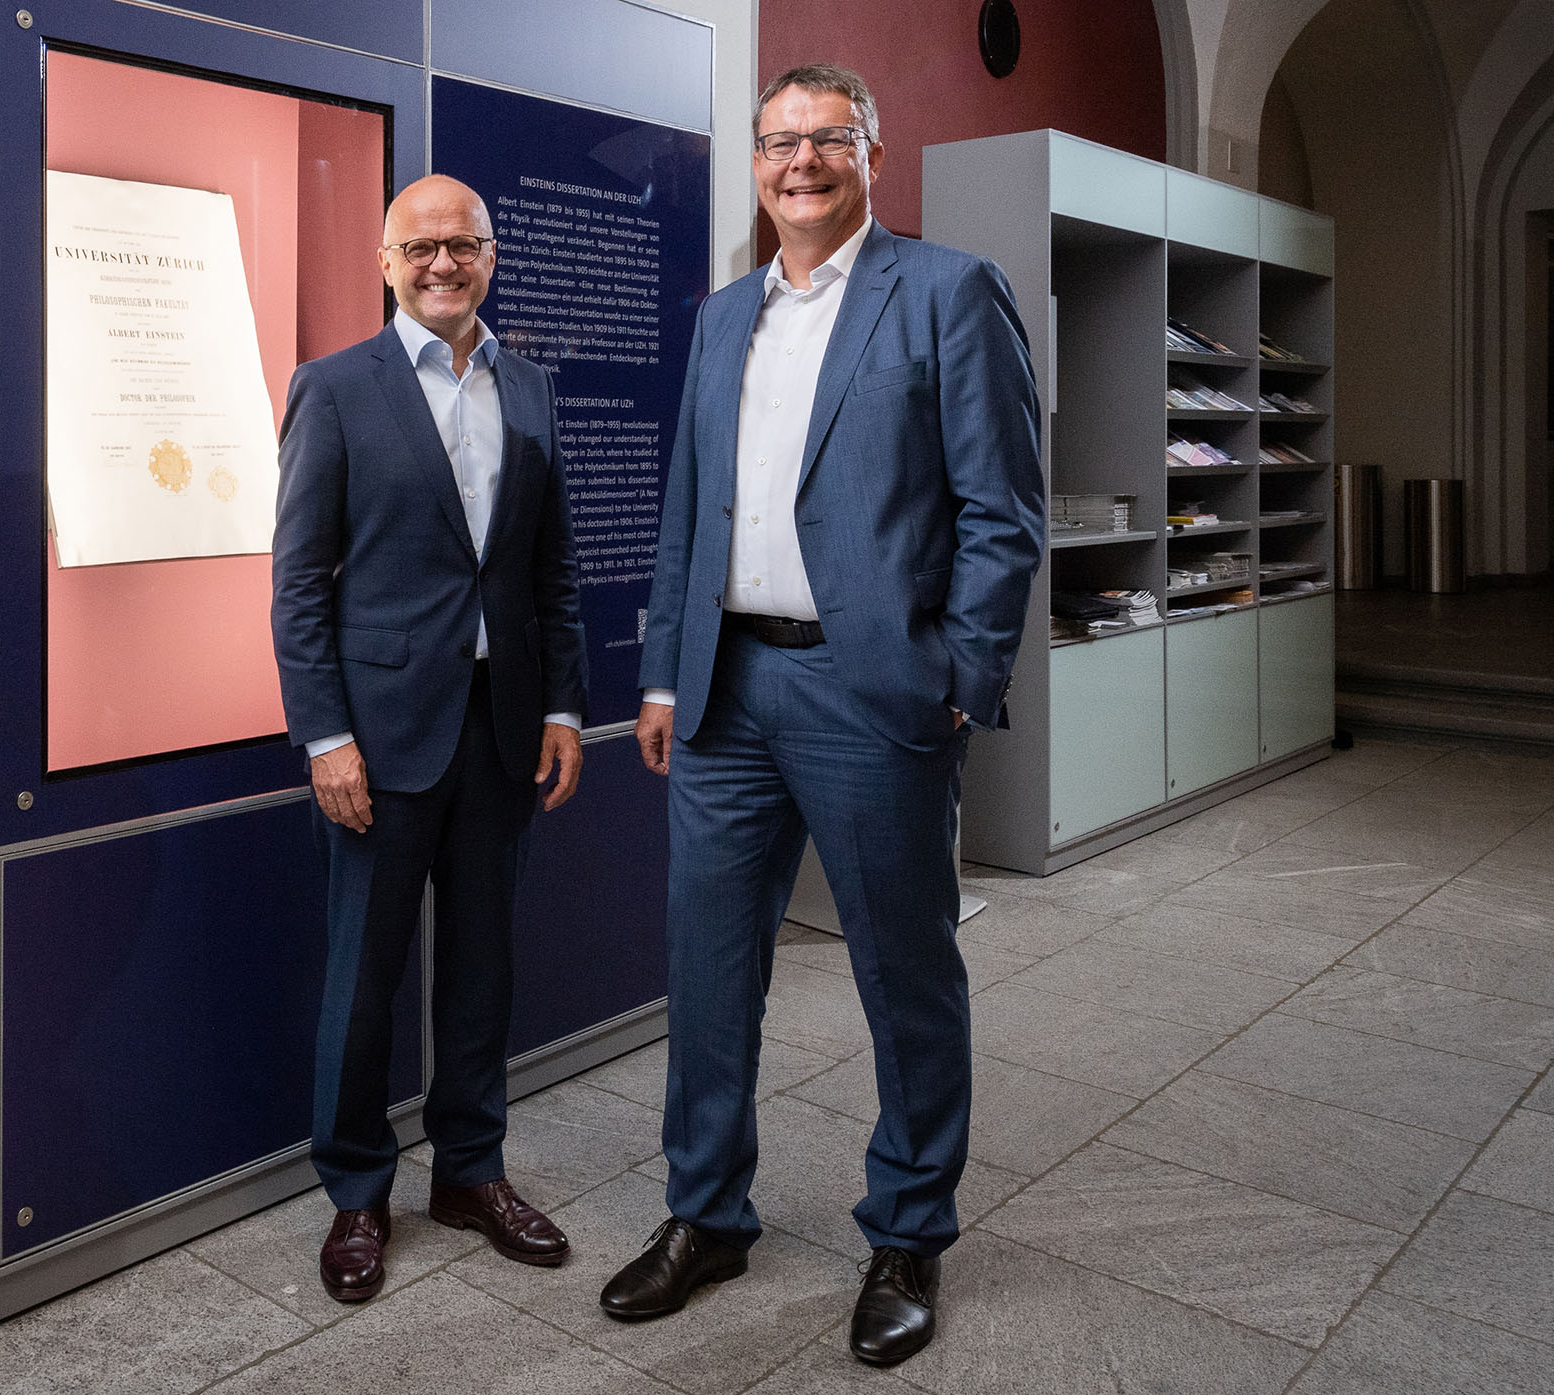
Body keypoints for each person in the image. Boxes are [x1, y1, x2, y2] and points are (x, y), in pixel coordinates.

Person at [598, 64, 1043, 1367]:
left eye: (825, 139)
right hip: (728, 692)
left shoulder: (948, 292)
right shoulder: (723, 316)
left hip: (875, 692)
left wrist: (960, 672)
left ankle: (908, 1228)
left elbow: (1002, 511)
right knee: (711, 966)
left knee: (903, 971)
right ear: (756, 163)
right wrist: (666, 675)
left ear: (870, 150)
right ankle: (706, 1211)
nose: (801, 160)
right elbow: (692, 508)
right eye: (779, 141)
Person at [270, 174, 590, 1304]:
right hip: (380, 736)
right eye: (420, 248)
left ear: (490, 257)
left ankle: (469, 1172)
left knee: (481, 967)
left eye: (461, 245)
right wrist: (323, 736)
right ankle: (357, 1192)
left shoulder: (530, 386)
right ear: (384, 260)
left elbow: (549, 569)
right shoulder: (335, 388)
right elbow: (298, 584)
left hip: (499, 731)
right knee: (363, 976)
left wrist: (560, 706)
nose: (441, 264)